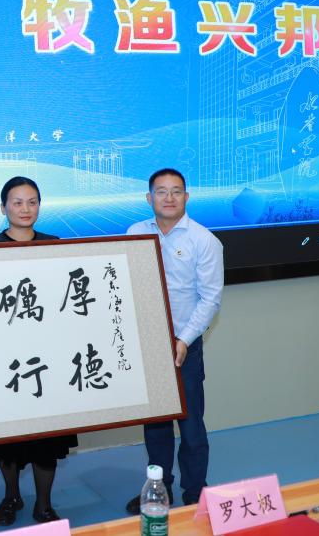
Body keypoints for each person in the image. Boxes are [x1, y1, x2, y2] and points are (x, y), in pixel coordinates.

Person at [0, 176, 78, 526]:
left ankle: (44, 505)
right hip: (4, 360)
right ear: (3, 207)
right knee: (8, 441)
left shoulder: (55, 245)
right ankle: (11, 497)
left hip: (48, 359)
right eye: (17, 202)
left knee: (48, 439)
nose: (25, 209)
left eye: (32, 202)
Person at [124, 168, 223, 513]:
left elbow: (210, 299)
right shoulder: (135, 233)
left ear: (187, 197)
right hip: (148, 345)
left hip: (184, 346)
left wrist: (183, 339)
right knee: (155, 427)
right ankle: (159, 490)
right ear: (148, 198)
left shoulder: (204, 240)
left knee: (191, 426)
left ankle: (195, 492)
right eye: (161, 191)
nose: (169, 198)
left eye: (176, 191)